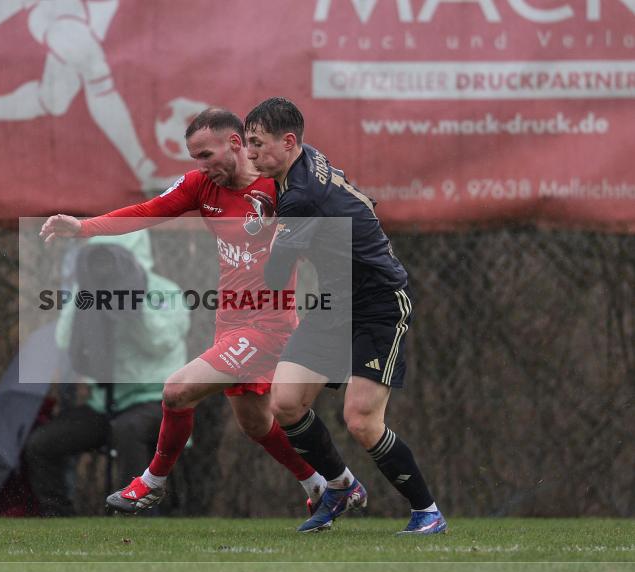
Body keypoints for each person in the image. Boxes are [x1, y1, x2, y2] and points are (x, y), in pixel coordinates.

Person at [40, 108, 335, 516]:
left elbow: (330, 222)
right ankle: (329, 485)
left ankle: (152, 482)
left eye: (206, 155)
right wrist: (85, 227)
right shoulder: (201, 187)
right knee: (255, 423)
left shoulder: (280, 185)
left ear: (235, 144)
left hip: (269, 322)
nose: (201, 166)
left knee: (177, 390)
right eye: (195, 157)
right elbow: (146, 211)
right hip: (230, 322)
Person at [243, 97, 447, 535]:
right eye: (247, 144)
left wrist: (264, 229)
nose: (251, 153)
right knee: (285, 403)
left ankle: (426, 511)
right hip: (335, 302)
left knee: (361, 420)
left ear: (289, 141)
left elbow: (277, 277)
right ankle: (341, 486)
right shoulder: (303, 163)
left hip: (378, 304)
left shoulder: (301, 196)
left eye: (257, 144)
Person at [22, 231, 189, 516]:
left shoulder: (165, 291)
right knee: (42, 444)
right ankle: (59, 520)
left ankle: (137, 515)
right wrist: (87, 299)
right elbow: (64, 340)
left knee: (127, 430)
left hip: (154, 400)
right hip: (106, 403)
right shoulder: (87, 292)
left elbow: (162, 342)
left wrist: (133, 306)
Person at [0, 0, 175, 194]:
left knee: (53, 101)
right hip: (56, 9)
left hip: (93, 13)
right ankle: (145, 172)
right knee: (95, 69)